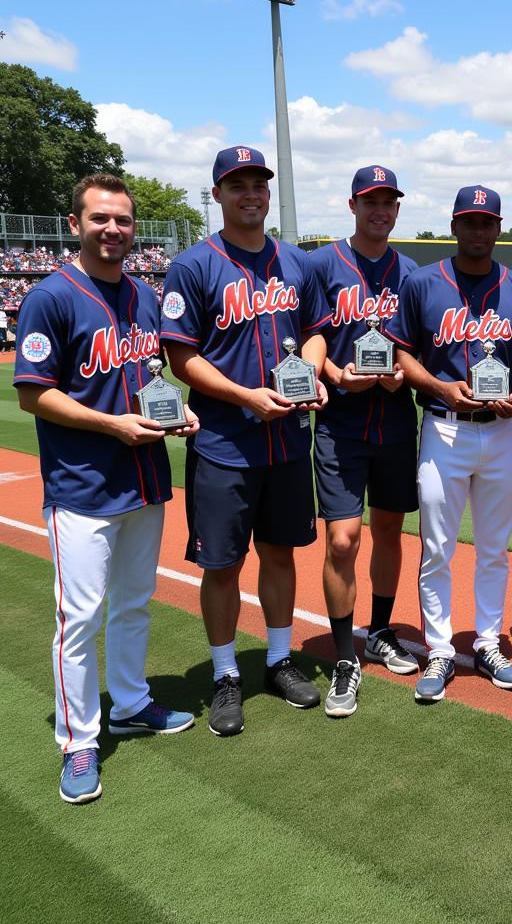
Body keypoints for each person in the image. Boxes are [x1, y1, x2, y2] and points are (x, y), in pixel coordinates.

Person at [14, 174, 197, 804]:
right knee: (80, 616)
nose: (112, 229)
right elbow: (34, 392)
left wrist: (178, 414)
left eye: (121, 219)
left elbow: (152, 377)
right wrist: (111, 424)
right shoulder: (51, 297)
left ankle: (131, 701)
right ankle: (78, 739)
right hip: (82, 485)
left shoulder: (145, 295)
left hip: (144, 479)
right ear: (75, 225)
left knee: (135, 602)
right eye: (99, 219)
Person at [161, 146, 329, 737]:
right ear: (218, 195)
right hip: (225, 443)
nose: (251, 193)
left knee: (281, 553)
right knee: (223, 563)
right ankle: (227, 672)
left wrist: (309, 376)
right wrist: (243, 395)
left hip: (285, 440)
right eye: (238, 185)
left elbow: (314, 334)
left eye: (259, 182)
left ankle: (279, 660)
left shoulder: (296, 263)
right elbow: (181, 356)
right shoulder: (194, 265)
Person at [386, 185, 512, 702]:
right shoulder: (422, 283)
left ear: (499, 228)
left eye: (487, 222)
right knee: (437, 548)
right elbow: (401, 354)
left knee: (495, 550)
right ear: (454, 225)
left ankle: (487, 643)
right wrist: (436, 385)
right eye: (469, 221)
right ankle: (438, 648)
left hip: (500, 432)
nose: (478, 230)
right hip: (445, 427)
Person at [309, 166, 420, 718]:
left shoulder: (414, 273)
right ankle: (344, 654)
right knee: (343, 541)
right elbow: (308, 334)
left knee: (390, 532)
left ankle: (379, 629)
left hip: (397, 419)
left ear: (397, 209)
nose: (380, 210)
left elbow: (419, 343)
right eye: (370, 201)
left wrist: (406, 371)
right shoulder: (321, 264)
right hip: (342, 422)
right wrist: (331, 372)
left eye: (388, 201)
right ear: (352, 204)